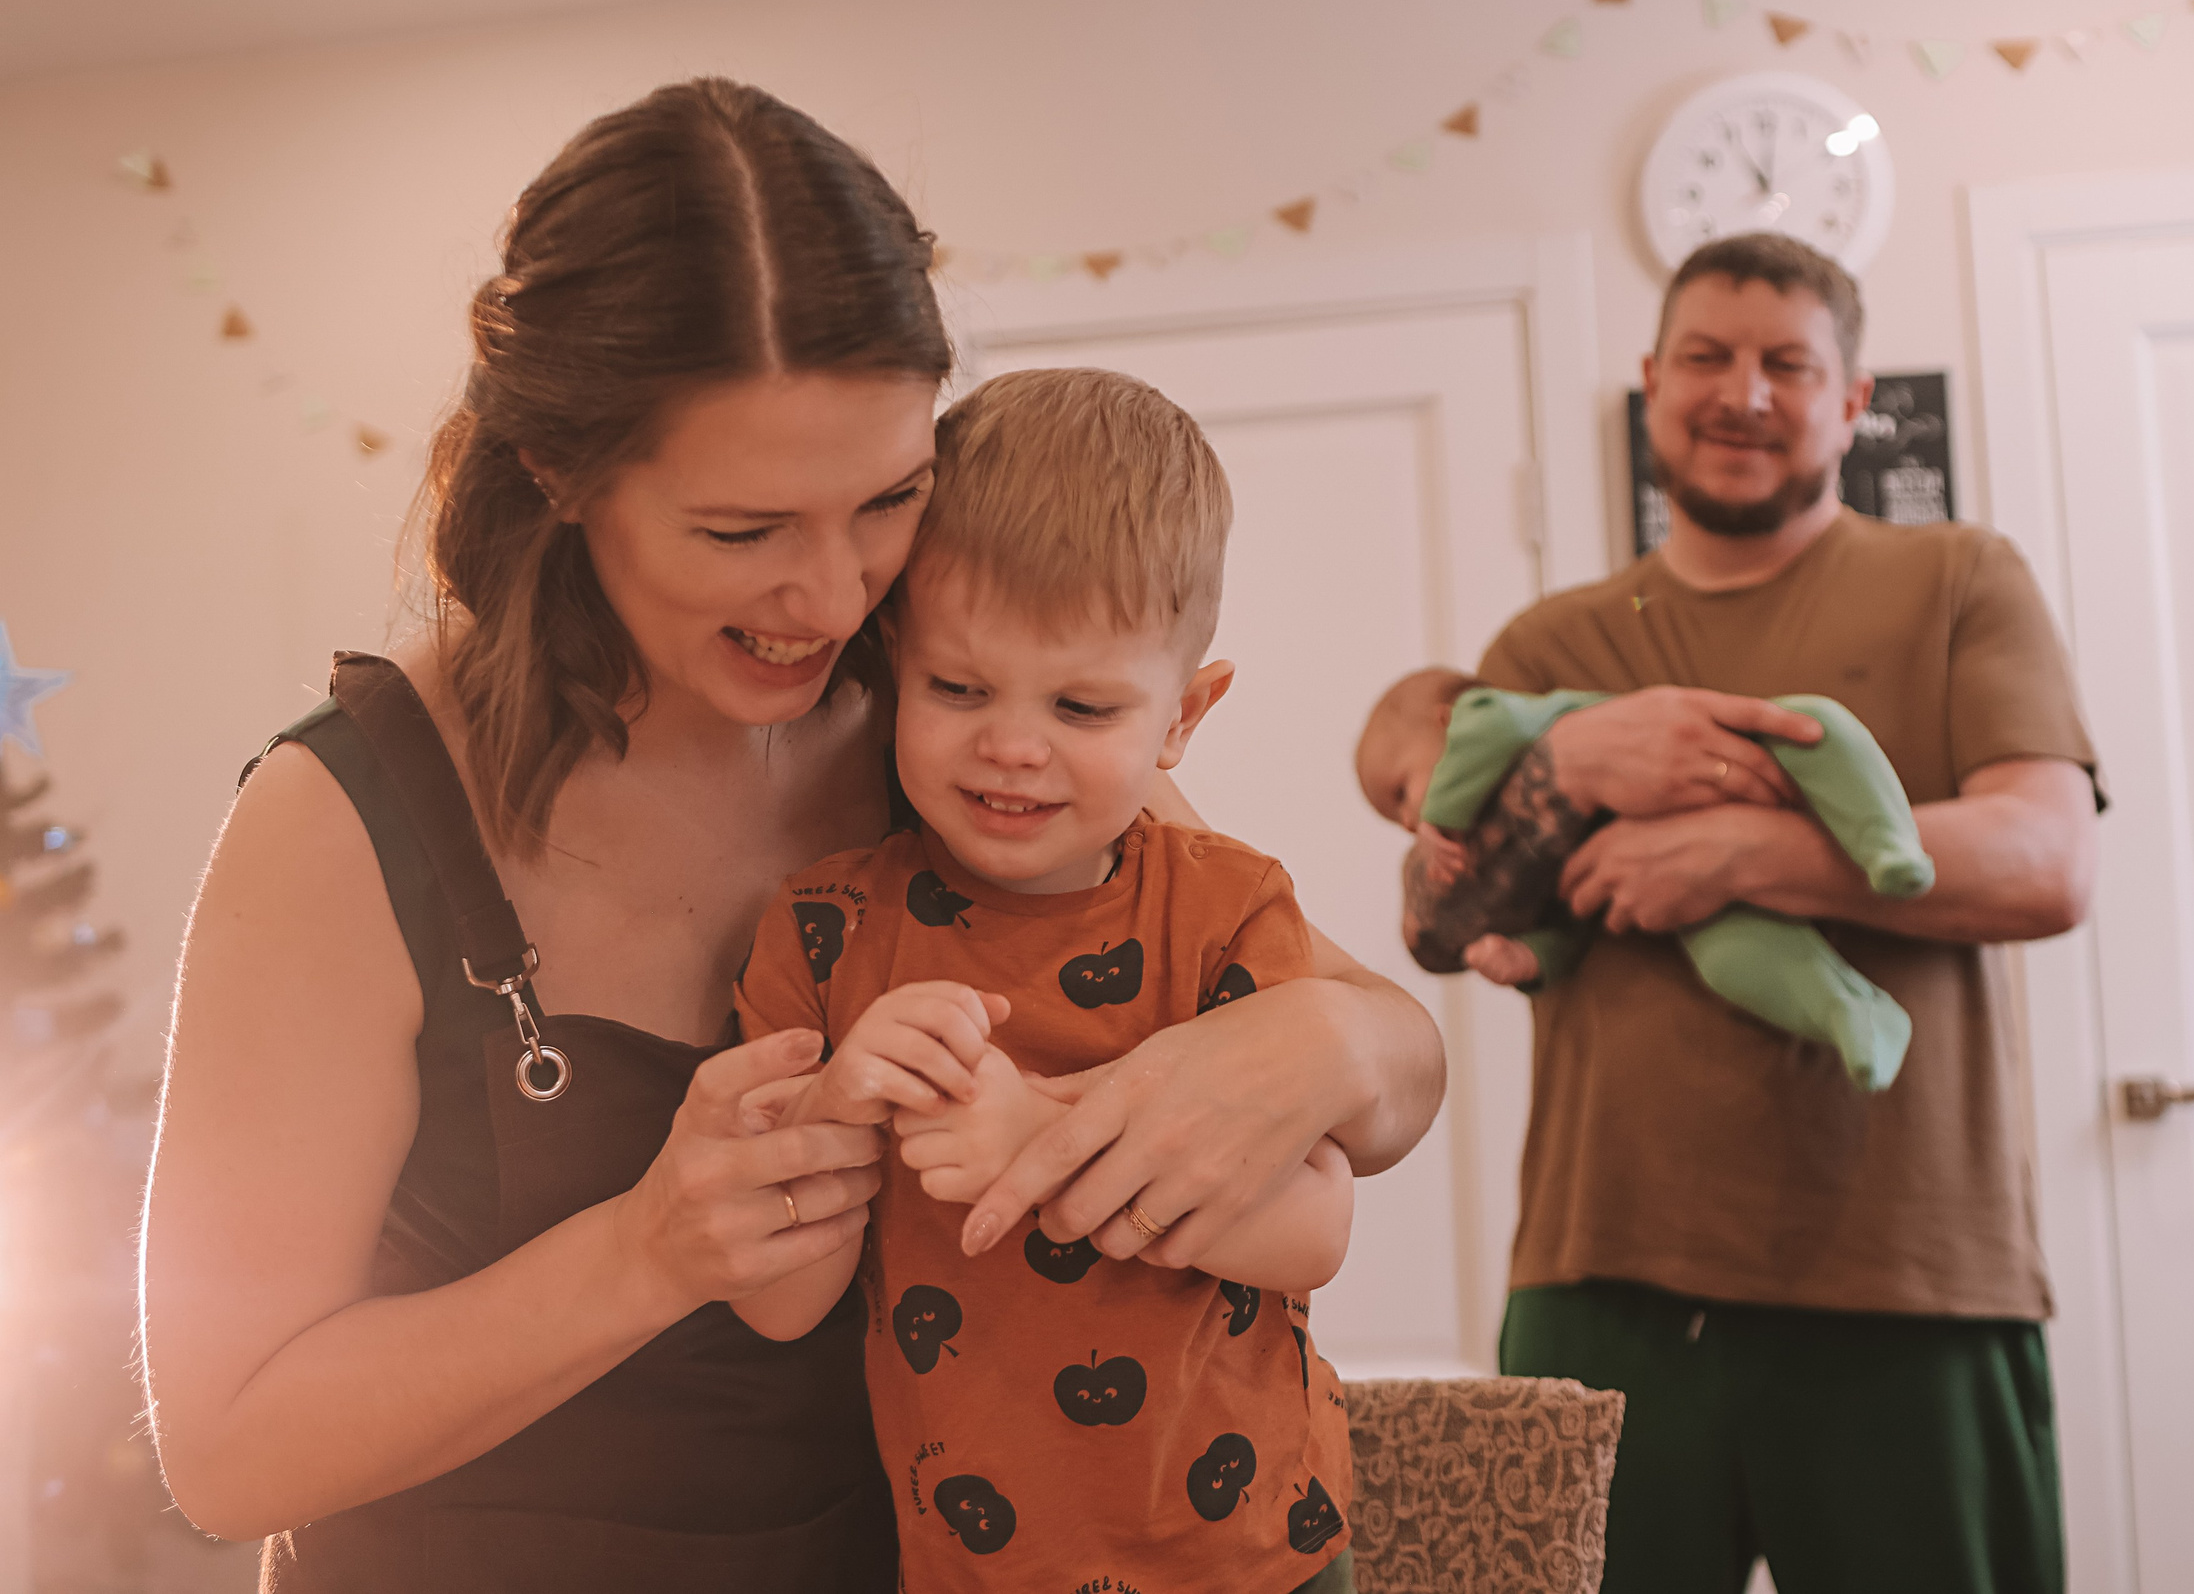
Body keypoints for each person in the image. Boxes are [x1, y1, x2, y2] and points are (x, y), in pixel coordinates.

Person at [140, 79, 1443, 1594]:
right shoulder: (344, 814)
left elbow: (1387, 1072)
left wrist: (1326, 1047)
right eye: (743, 531)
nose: (833, 600)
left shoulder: (951, 714)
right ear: (562, 475)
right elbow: (226, 1451)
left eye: (889, 499)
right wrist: (645, 1252)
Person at [1400, 232, 2102, 1594]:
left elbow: (2046, 857)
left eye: (1789, 362)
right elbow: (1440, 914)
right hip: (1602, 1270)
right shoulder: (1553, 647)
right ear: (1653, 382)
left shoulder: (1961, 579)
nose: (1747, 393)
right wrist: (1567, 769)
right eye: (1709, 358)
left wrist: (1746, 854)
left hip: (1911, 1270)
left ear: (1853, 401)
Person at [730, 368, 1355, 1593]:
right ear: (891, 665)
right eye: (957, 688)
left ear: (1183, 717)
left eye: (1081, 704)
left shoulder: (1226, 910)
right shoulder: (821, 934)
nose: (1011, 745)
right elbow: (780, 1306)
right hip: (967, 1569)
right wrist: (837, 1108)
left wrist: (1047, 1139)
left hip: (1251, 1558)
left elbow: (1317, 1228)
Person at [1355, 669, 1932, 1090]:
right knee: (1730, 959)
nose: (1410, 821)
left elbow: (1490, 728)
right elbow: (1566, 917)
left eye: (1401, 793)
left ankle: (1886, 841)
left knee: (1812, 726)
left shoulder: (1496, 716)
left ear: (1445, 724)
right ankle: (1853, 1013)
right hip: (1693, 882)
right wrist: (1528, 959)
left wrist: (1440, 816)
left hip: (1737, 751)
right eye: (1400, 819)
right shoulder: (1523, 840)